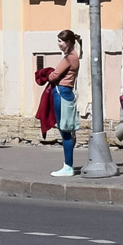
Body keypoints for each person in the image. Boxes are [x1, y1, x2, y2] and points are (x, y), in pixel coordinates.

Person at [47, 29, 82, 177]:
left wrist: (48, 74)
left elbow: (54, 76)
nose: (58, 44)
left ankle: (68, 166)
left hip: (62, 93)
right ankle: (67, 164)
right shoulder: (72, 56)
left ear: (68, 42)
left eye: (60, 42)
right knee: (65, 129)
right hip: (64, 92)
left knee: (65, 130)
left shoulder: (70, 58)